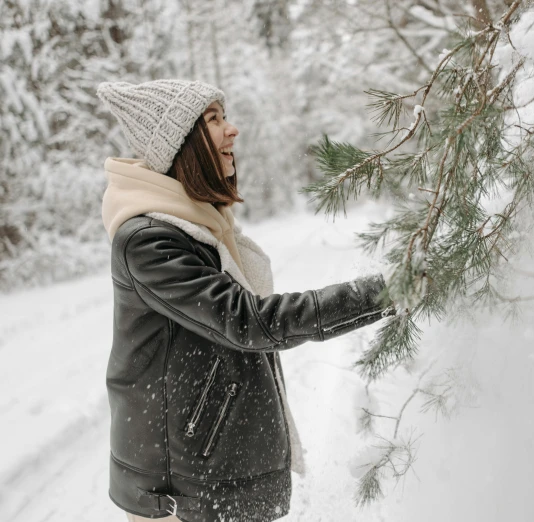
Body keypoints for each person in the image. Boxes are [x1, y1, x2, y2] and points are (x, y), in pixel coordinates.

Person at [96, 79, 394, 522]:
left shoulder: (201, 226)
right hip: (179, 493)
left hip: (207, 466)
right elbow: (247, 321)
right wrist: (386, 291)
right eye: (214, 120)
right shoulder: (149, 242)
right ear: (179, 142)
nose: (232, 130)